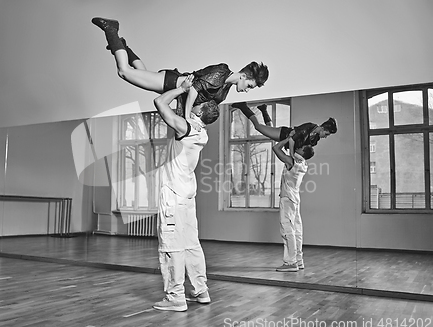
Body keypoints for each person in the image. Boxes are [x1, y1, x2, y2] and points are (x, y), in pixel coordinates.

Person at [91, 17, 269, 119]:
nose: (247, 91)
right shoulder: (221, 73)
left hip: (173, 85)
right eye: (250, 86)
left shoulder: (225, 88)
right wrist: (186, 119)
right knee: (124, 72)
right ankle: (111, 30)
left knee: (142, 73)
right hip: (170, 82)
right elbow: (193, 92)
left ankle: (122, 46)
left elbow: (202, 103)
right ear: (244, 76)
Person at [151, 75, 217, 311]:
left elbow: (159, 102)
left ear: (198, 111)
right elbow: (187, 112)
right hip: (188, 194)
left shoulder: (185, 127)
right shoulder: (202, 132)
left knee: (172, 246)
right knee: (191, 244)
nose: (195, 101)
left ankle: (175, 296)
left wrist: (181, 89)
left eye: (197, 103)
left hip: (174, 194)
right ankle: (201, 290)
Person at [232, 102, 337, 157]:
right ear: (323, 128)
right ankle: (244, 107)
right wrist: (291, 155)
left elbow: (302, 148)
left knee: (269, 130)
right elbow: (292, 139)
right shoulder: (309, 127)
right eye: (326, 134)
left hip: (285, 139)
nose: (326, 137)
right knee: (258, 127)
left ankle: (264, 109)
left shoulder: (315, 140)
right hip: (283, 134)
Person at [272, 135, 314, 272]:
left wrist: (289, 139)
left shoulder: (292, 162)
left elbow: (275, 147)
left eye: (301, 148)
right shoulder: (303, 164)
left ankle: (291, 263)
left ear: (303, 153)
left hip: (287, 199)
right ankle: (299, 260)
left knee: (287, 230)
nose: (298, 148)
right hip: (295, 199)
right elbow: (292, 151)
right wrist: (292, 143)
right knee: (297, 231)